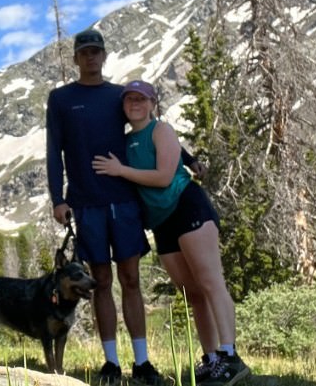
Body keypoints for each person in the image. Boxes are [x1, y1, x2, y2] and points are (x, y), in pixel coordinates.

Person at [46, 29, 201, 385]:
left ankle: (143, 363)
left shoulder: (118, 96)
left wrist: (189, 160)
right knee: (100, 282)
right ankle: (111, 364)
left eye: (96, 51)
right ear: (75, 58)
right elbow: (53, 150)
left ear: (104, 56)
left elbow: (148, 127)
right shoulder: (61, 99)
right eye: (84, 52)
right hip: (86, 203)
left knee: (131, 279)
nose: (90, 57)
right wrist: (58, 198)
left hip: (124, 199)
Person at [91, 80, 250, 386]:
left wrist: (121, 170)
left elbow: (164, 177)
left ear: (152, 104)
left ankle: (230, 356)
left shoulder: (161, 130)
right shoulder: (124, 142)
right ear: (123, 106)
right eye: (129, 100)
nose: (135, 103)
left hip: (186, 206)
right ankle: (212, 359)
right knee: (193, 294)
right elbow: (179, 155)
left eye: (142, 98)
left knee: (210, 280)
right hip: (161, 221)